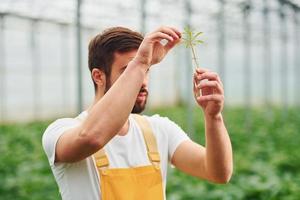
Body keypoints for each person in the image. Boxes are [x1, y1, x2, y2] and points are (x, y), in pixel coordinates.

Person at [42, 26, 233, 200]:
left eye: (146, 70)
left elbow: (218, 173)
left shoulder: (159, 129)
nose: (141, 80)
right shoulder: (61, 131)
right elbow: (91, 138)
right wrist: (141, 62)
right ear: (98, 76)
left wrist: (213, 117)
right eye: (129, 71)